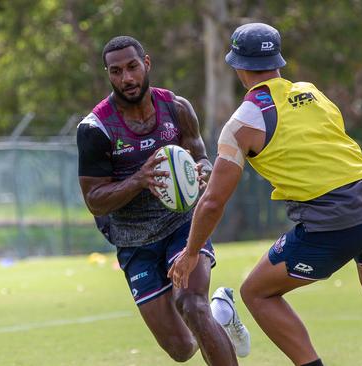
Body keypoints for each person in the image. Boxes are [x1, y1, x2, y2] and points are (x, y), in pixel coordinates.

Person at [168, 23, 362, 366]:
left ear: (237, 66)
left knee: (256, 293)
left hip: (338, 219)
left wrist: (190, 253)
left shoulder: (242, 123)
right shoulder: (312, 92)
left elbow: (214, 201)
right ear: (277, 61)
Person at [77, 36, 249, 364]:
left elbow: (201, 158)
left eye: (132, 67)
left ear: (147, 64)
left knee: (192, 305)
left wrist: (201, 170)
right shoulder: (95, 129)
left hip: (182, 225)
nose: (126, 78)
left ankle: (208, 312)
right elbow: (95, 200)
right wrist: (140, 179)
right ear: (108, 74)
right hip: (134, 242)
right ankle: (221, 313)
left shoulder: (176, 108)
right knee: (182, 348)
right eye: (116, 71)